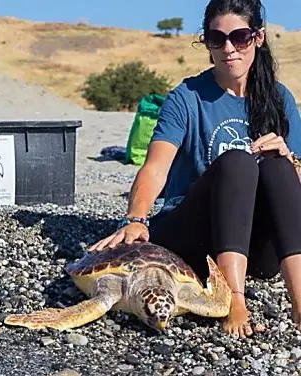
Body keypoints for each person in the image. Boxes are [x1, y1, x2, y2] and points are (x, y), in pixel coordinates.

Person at [89, 0, 301, 339]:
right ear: (206, 43)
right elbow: (155, 166)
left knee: (278, 165)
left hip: (257, 250)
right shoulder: (187, 97)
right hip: (195, 239)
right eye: (217, 39)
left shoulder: (279, 98)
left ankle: (300, 303)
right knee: (237, 162)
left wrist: (290, 158)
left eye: (240, 37)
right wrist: (136, 218)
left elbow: (293, 193)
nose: (228, 48)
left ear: (258, 38)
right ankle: (233, 300)